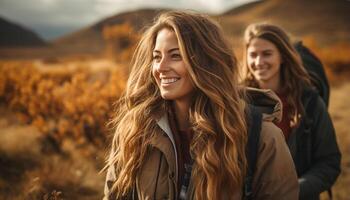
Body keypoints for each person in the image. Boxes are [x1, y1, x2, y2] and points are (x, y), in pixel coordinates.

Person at [103, 11, 298, 200]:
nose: (160, 67)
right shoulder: (135, 129)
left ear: (206, 63)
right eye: (156, 57)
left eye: (176, 55)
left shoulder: (261, 136)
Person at [241, 22, 341, 200]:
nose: (258, 62)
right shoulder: (239, 103)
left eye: (267, 54)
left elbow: (329, 162)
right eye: (253, 55)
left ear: (283, 56)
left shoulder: (310, 103)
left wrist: (293, 191)